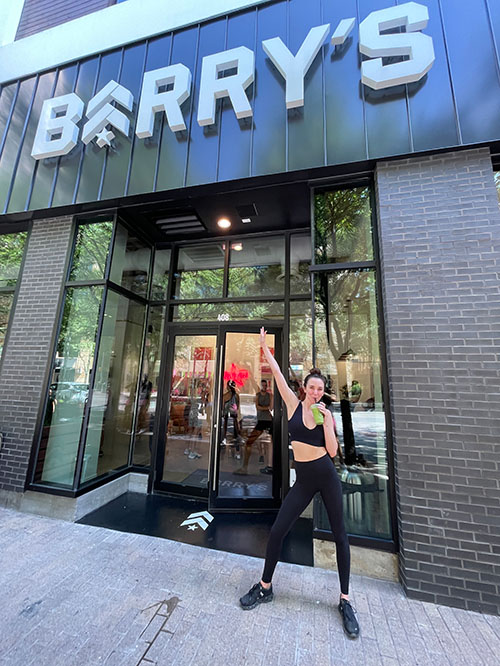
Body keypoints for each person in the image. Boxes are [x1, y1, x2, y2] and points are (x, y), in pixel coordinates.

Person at [239, 328, 360, 640]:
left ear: (323, 392)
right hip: (304, 480)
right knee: (278, 530)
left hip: (326, 476)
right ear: (305, 388)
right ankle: (265, 587)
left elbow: (332, 452)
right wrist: (265, 349)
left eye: (321, 389)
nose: (316, 392)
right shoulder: (294, 405)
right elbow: (279, 375)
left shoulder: (326, 414)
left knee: (340, 536)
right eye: (312, 387)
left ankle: (345, 600)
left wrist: (327, 423)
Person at [234, 379, 273, 475]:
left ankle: (247, 466)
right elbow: (258, 407)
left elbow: (270, 407)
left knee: (266, 443)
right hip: (262, 420)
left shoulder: (270, 396)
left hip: (267, 421)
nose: (264, 387)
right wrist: (266, 408)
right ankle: (248, 465)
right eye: (263, 385)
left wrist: (264, 408)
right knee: (257, 441)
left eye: (265, 385)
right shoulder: (258, 395)